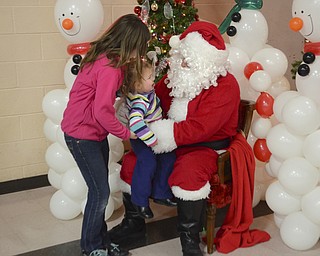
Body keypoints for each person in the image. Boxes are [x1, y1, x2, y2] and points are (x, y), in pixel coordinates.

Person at [109, 21, 270, 256]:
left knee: (189, 171)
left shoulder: (225, 85)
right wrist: (130, 109)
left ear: (206, 60)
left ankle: (189, 238)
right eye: (181, 55)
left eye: (189, 57)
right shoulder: (174, 78)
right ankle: (134, 224)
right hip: (171, 141)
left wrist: (163, 134)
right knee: (132, 162)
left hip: (205, 146)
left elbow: (202, 128)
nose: (182, 62)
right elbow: (153, 101)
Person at [61, 14, 150, 256]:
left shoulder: (108, 59)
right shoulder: (109, 67)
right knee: (100, 193)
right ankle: (91, 249)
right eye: (139, 48)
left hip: (91, 132)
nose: (139, 54)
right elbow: (102, 110)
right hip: (82, 134)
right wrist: (126, 132)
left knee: (98, 191)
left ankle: (99, 242)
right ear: (129, 43)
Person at [121, 60, 176, 219]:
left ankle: (161, 193)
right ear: (137, 85)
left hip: (152, 133)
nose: (154, 79)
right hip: (142, 138)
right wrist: (151, 140)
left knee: (168, 157)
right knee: (148, 162)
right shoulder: (140, 101)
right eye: (150, 78)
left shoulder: (148, 93)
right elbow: (136, 124)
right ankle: (140, 200)